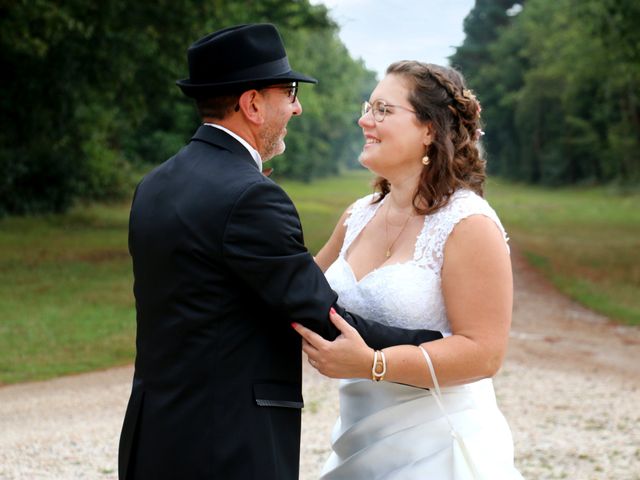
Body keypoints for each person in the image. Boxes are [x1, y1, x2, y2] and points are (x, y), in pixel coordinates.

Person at [117, 25, 443, 480]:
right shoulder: (250, 197)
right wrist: (436, 347)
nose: (297, 107)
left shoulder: (154, 185)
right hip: (227, 446)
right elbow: (318, 313)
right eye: (288, 92)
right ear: (252, 104)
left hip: (153, 437)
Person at [293, 61, 524, 478]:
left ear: (430, 129)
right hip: (359, 439)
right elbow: (296, 291)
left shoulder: (468, 224)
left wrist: (372, 364)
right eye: (369, 106)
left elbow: (484, 352)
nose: (365, 120)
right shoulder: (357, 216)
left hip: (438, 445)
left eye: (383, 110)